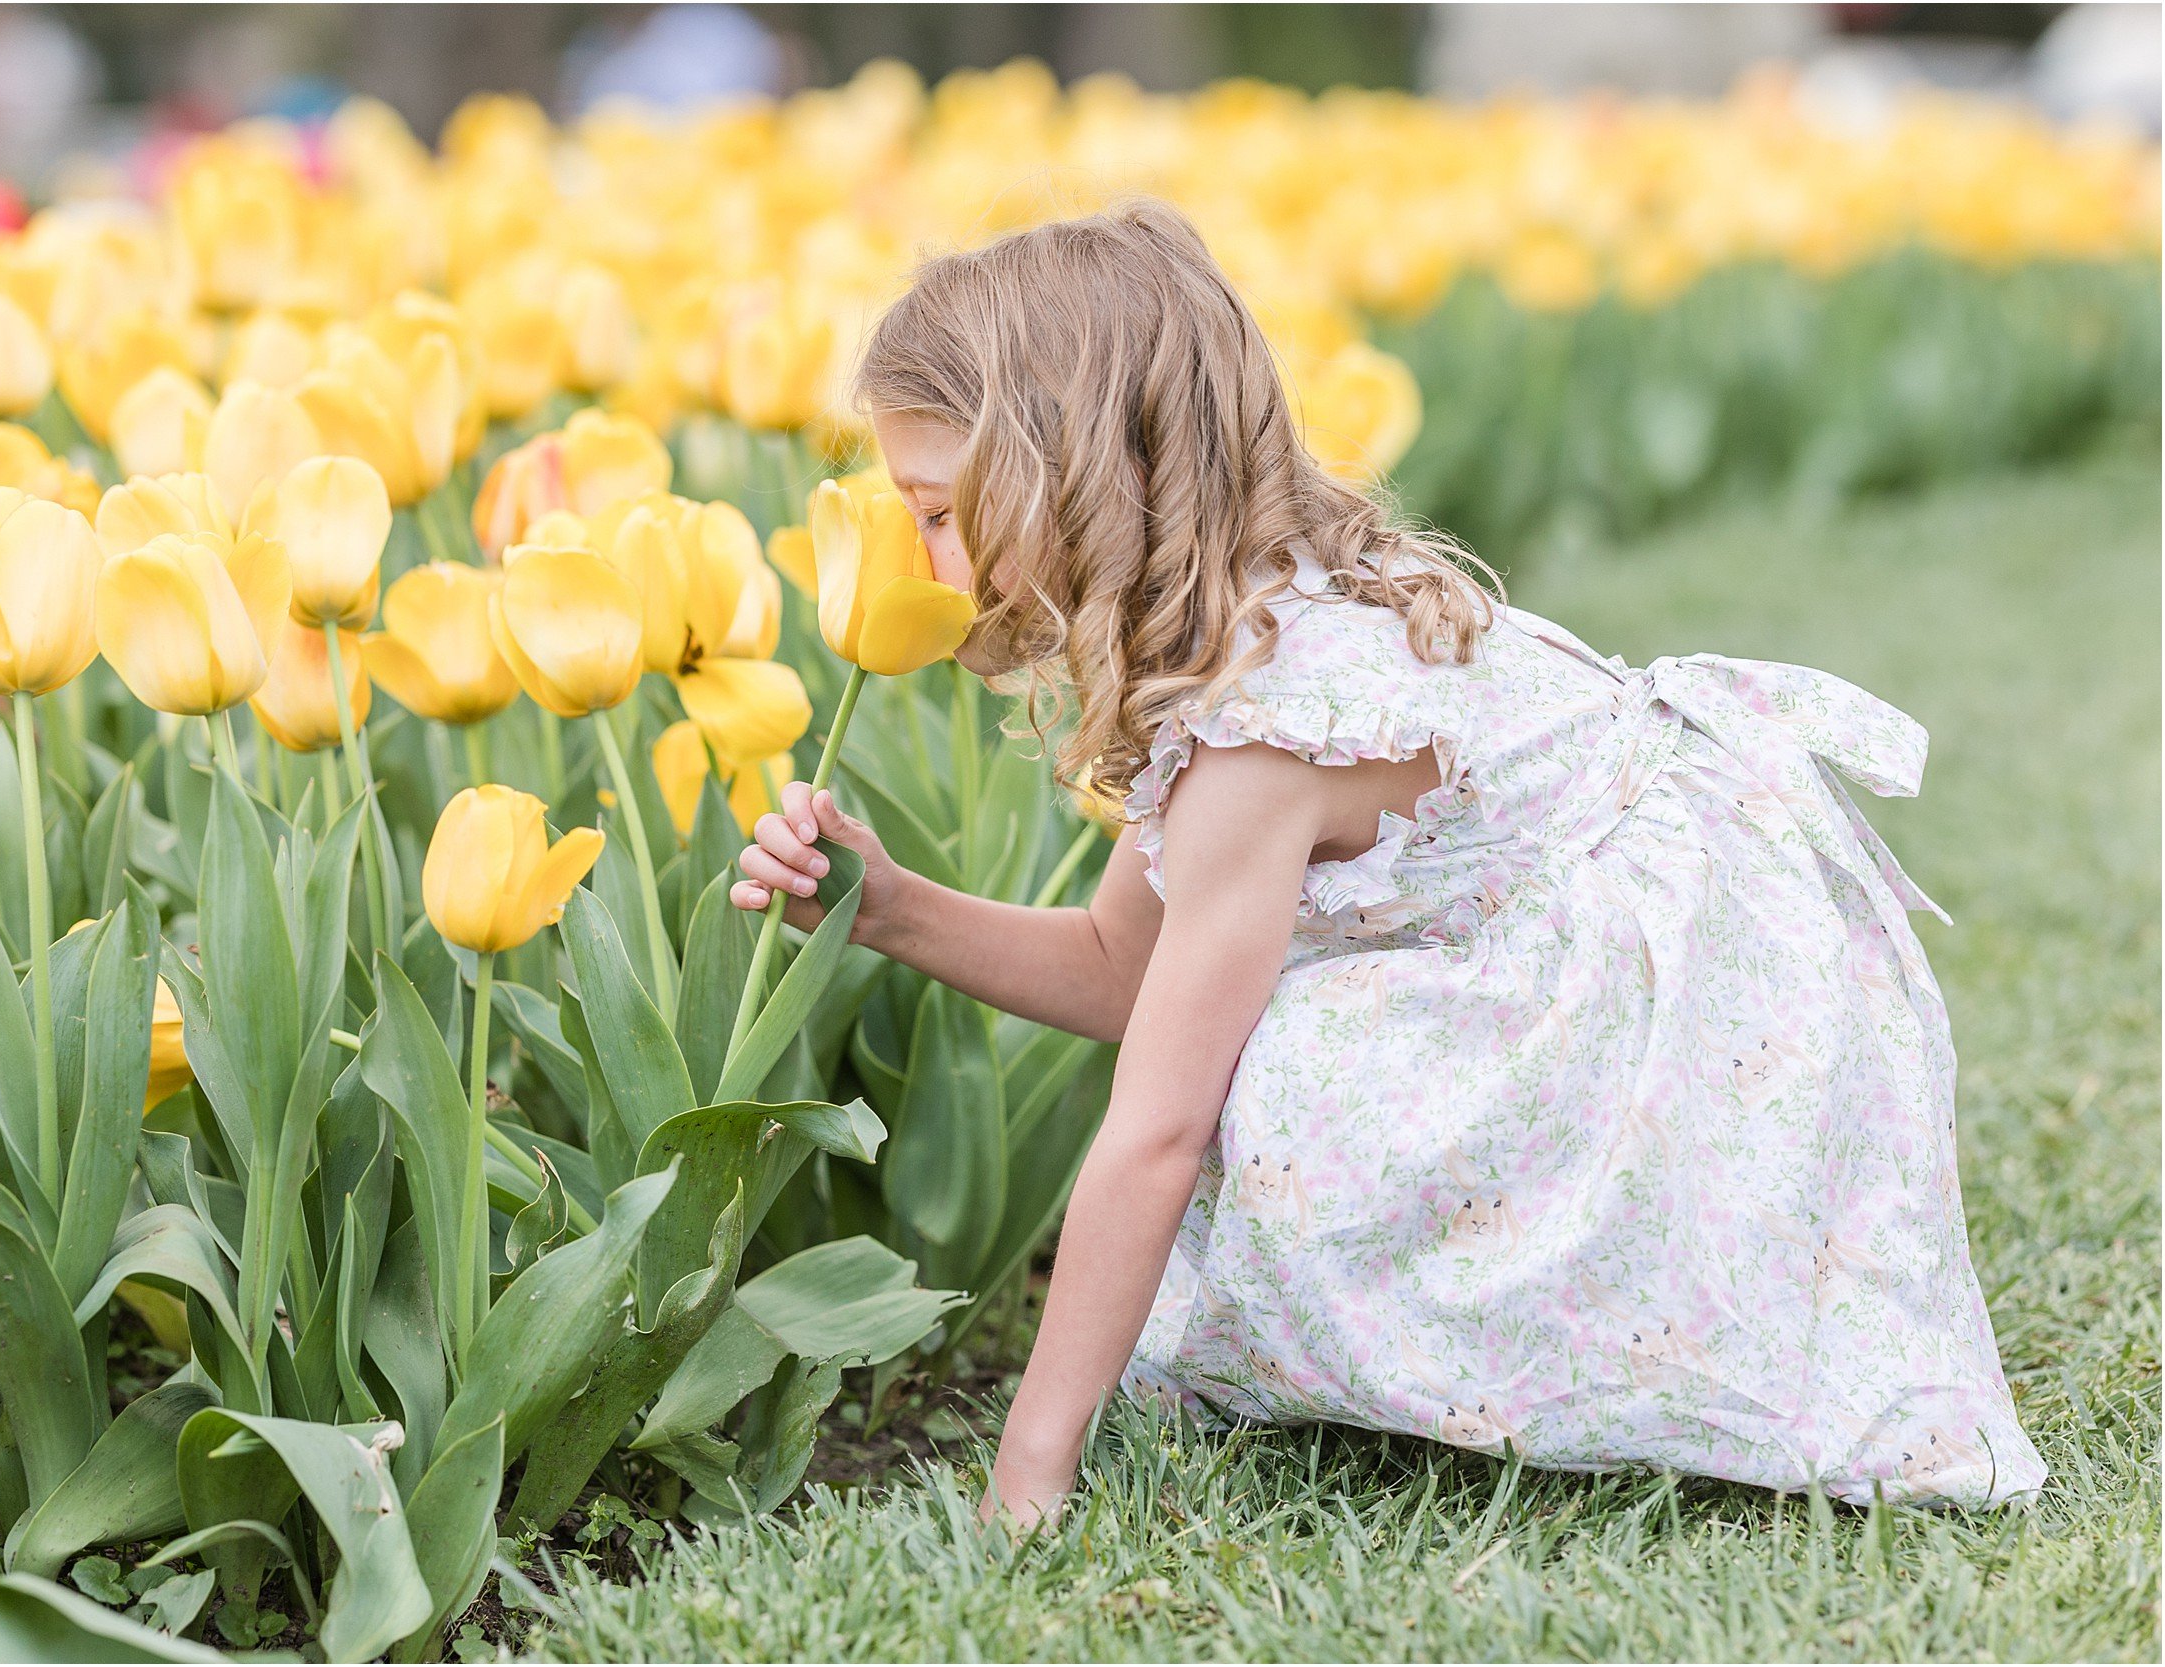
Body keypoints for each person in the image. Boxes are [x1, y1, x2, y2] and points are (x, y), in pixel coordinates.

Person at [729, 201, 2046, 1526]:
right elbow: (1123, 968)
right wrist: (886, 907)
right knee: (1249, 1027)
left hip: (1718, 1015)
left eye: (941, 514)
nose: (925, 560)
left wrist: (1030, 1462)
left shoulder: (1261, 736)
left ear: (1069, 470)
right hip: (1708, 941)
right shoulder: (1246, 626)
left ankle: (1597, 1342)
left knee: (1288, 1065)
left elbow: (1158, 1126)